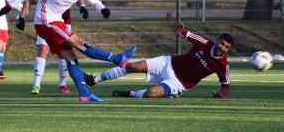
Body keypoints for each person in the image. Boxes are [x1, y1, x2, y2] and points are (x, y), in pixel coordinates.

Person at [0, 0, 136, 102]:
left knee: (71, 58)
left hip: (54, 22)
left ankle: (84, 94)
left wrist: (102, 8)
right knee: (80, 43)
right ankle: (117, 59)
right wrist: (9, 7)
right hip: (46, 22)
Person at [15, 0, 110, 95]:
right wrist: (21, 16)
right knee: (44, 49)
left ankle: (63, 84)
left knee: (65, 53)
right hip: (46, 20)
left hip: (63, 20)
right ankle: (36, 85)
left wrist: (84, 7)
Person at [84, 22, 234, 99]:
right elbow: (187, 33)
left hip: (179, 83)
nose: (223, 48)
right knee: (133, 66)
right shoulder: (205, 43)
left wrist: (221, 93)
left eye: (227, 47)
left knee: (151, 93)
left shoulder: (223, 65)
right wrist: (180, 31)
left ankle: (129, 93)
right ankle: (94, 80)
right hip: (169, 63)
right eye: (222, 43)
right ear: (218, 41)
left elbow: (226, 85)